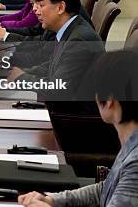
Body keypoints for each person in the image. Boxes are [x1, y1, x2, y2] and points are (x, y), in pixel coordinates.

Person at [18, 50, 138, 207]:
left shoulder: (135, 162)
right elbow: (105, 189)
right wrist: (52, 200)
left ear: (109, 101)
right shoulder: (131, 142)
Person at [7, 0, 104, 98]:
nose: (35, 10)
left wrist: (21, 78)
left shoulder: (79, 39)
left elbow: (58, 89)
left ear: (60, 8)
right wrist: (22, 73)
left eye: (41, 4)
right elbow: (53, 66)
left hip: (73, 113)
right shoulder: (69, 28)